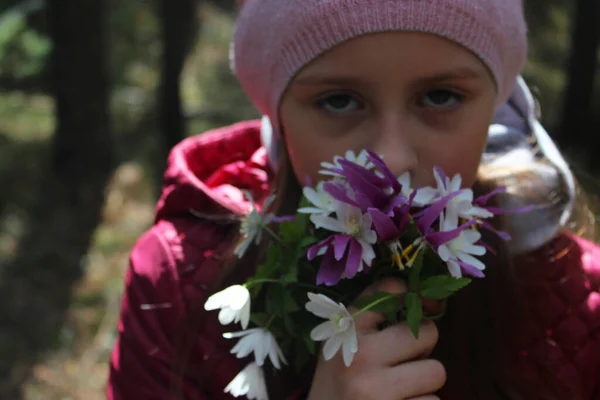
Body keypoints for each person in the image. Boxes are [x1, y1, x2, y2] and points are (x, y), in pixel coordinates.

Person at [107, 1, 600, 399]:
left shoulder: (578, 300)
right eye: (339, 101)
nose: (391, 158)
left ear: (494, 104)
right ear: (279, 118)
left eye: (441, 96)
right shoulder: (179, 284)